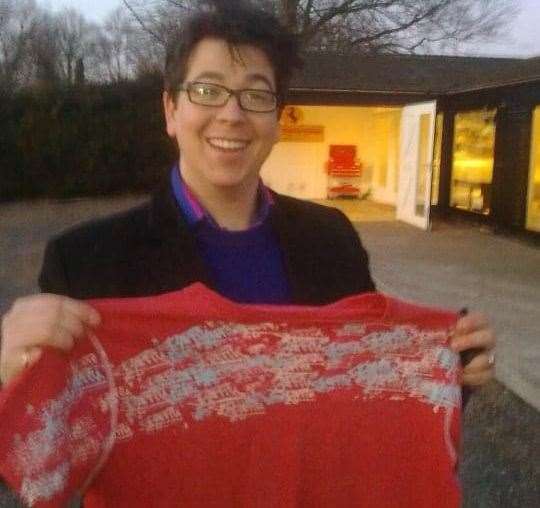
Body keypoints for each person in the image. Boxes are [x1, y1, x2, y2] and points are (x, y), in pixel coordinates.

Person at [0, 3, 494, 391]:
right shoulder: (85, 264)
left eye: (256, 94)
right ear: (170, 110)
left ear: (278, 119)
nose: (233, 115)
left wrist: (449, 370)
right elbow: (46, 451)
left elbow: (366, 387)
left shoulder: (331, 239)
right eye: (208, 91)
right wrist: (9, 370)